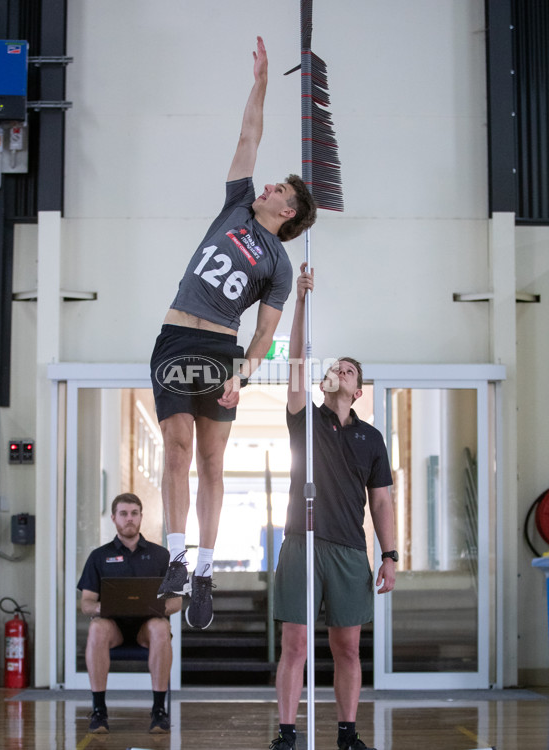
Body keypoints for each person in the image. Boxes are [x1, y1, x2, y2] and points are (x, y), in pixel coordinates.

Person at [151, 36, 317, 630]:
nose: (268, 186)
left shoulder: (276, 263)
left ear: (290, 211)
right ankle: (175, 559)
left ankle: (204, 573)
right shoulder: (237, 208)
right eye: (270, 184)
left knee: (213, 466)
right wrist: (261, 84)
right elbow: (247, 136)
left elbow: (265, 335)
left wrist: (242, 379)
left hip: (221, 349)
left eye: (280, 190)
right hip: (175, 339)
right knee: (175, 450)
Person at [269, 265, 397, 750]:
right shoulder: (306, 420)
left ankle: (347, 733)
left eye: (348, 370)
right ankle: (286, 734)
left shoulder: (370, 438)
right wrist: (300, 300)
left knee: (347, 647)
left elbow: (381, 500)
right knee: (295, 645)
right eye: (335, 368)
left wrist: (389, 556)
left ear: (358, 390)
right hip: (301, 544)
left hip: (348, 550)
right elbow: (299, 363)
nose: (337, 372)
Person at [77, 493, 181, 735]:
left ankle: (158, 710)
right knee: (96, 627)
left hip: (148, 626)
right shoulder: (99, 556)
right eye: (123, 514)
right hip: (115, 628)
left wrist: (156, 608)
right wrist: (107, 607)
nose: (129, 519)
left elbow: (176, 601)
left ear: (141, 517)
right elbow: (87, 604)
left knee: (160, 627)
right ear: (114, 518)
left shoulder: (160, 555)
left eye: (134, 513)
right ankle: (99, 711)